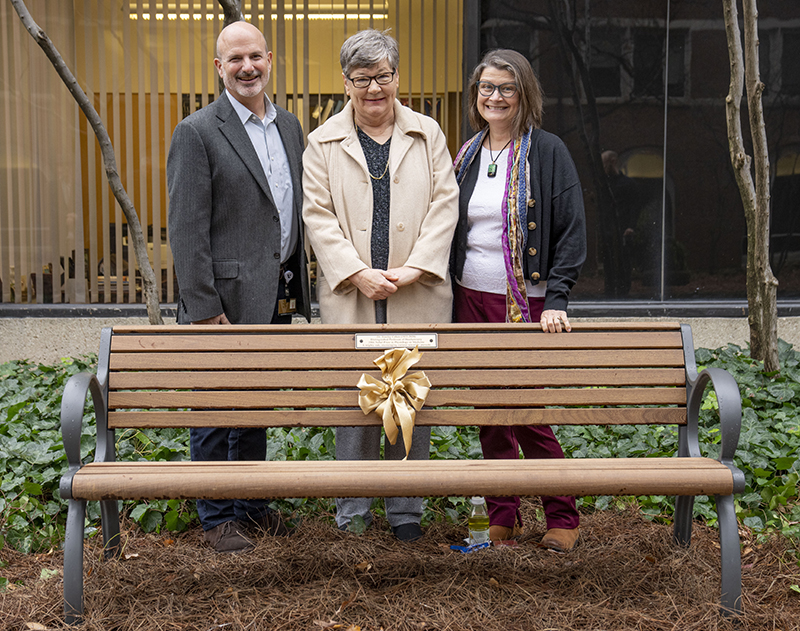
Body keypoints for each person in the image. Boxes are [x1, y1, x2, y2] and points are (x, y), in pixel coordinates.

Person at [302, 29, 459, 542]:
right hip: (353, 295)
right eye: (362, 78)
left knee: (414, 398)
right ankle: (352, 515)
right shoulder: (321, 142)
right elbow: (318, 217)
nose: (375, 88)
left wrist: (414, 268)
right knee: (356, 403)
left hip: (417, 293)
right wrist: (357, 273)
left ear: (397, 76)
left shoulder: (428, 134)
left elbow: (444, 205)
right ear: (346, 82)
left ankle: (406, 514)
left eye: (384, 76)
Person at [167, 21, 310, 553]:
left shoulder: (290, 126)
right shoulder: (198, 131)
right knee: (215, 407)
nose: (247, 67)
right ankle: (218, 516)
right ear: (219, 67)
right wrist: (202, 307)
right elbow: (186, 227)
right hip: (220, 302)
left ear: (269, 59)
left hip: (276, 292)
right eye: (235, 60)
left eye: (255, 57)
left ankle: (249, 505)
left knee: (257, 403)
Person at [451, 49, 586, 552]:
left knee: (526, 410)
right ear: (475, 95)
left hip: (524, 302)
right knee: (489, 411)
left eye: (506, 88)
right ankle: (502, 515)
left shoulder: (547, 151)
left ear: (524, 94)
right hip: (470, 297)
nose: (495, 96)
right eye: (486, 87)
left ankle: (562, 516)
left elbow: (571, 232)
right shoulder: (467, 153)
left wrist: (557, 298)